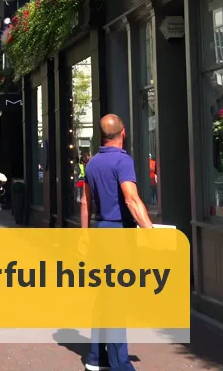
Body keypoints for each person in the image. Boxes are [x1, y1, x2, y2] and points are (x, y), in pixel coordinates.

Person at [81, 114, 154, 371]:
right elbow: (131, 200)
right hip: (117, 235)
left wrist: (85, 236)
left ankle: (95, 356)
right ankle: (120, 364)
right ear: (123, 132)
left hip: (99, 231)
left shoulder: (92, 163)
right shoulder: (123, 162)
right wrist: (151, 232)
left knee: (103, 296)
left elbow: (85, 203)